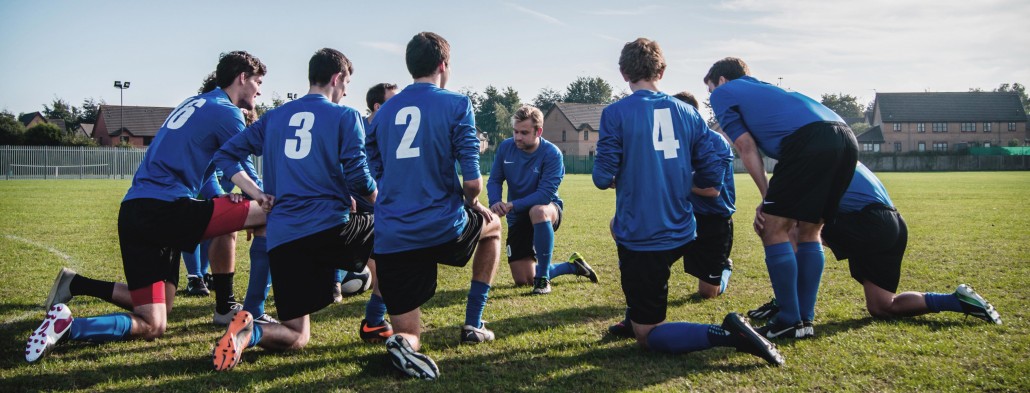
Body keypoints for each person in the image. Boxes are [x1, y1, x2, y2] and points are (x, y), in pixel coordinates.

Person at [27, 51, 269, 363]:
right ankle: (242, 310)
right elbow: (243, 165)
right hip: (165, 210)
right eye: (258, 82)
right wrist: (261, 199)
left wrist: (231, 200)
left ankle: (68, 326)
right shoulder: (227, 112)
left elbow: (203, 171)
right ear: (242, 78)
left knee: (154, 321)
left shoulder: (193, 104)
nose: (260, 90)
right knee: (268, 212)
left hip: (135, 211)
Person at [592, 38, 781, 366]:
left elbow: (601, 176)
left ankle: (726, 333)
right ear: (662, 70)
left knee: (647, 336)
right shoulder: (688, 113)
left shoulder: (615, 113)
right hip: (684, 227)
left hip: (643, 234)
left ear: (623, 73)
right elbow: (717, 157)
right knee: (643, 279)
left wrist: (623, 173)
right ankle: (636, 311)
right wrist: (687, 180)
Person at [209, 48, 377, 371]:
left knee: (297, 334)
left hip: (284, 238)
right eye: (347, 83)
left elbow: (224, 156)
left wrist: (257, 193)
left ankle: (249, 332)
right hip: (330, 229)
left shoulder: (274, 117)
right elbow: (359, 176)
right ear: (336, 78)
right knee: (389, 233)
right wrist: (382, 202)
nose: (347, 91)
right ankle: (378, 319)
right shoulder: (346, 116)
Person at [366, 31, 502, 380]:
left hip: (394, 234)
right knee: (494, 228)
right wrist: (472, 203)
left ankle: (403, 344)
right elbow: (473, 182)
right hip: (442, 226)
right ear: (444, 64)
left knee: (410, 332)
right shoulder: (457, 104)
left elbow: (374, 174)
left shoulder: (381, 114)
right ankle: (473, 323)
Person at [706, 57, 859, 339]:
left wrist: (767, 196)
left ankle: (789, 318)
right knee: (809, 230)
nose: (711, 96)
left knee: (772, 227)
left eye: (711, 89)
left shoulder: (724, 92)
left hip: (809, 140)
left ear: (722, 81)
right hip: (846, 137)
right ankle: (804, 319)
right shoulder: (764, 90)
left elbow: (745, 146)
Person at [747, 162, 1002, 329]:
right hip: (892, 224)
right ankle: (956, 301)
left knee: (791, 228)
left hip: (869, 221)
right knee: (882, 306)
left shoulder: (815, 156)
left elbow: (800, 211)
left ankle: (787, 307)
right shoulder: (836, 149)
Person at [608, 91, 736, 338]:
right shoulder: (662, 140)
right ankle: (634, 314)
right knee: (634, 250)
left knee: (708, 292)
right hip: (678, 214)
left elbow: (711, 189)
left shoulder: (714, 141)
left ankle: (724, 270)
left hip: (712, 220)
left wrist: (662, 178)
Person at [487, 104, 598, 295]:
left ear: (538, 131)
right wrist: (495, 202)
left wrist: (512, 204)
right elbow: (495, 180)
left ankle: (543, 279)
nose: (517, 137)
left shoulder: (552, 154)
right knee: (523, 280)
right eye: (515, 131)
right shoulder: (506, 147)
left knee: (538, 210)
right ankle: (573, 266)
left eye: (524, 132)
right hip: (517, 217)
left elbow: (544, 195)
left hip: (548, 211)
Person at [335, 82, 399, 344]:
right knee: (340, 240)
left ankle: (375, 315)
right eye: (393, 101)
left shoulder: (394, 131)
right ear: (378, 106)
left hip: (380, 199)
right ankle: (334, 284)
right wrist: (343, 194)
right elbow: (338, 161)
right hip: (354, 197)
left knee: (386, 255)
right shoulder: (355, 125)